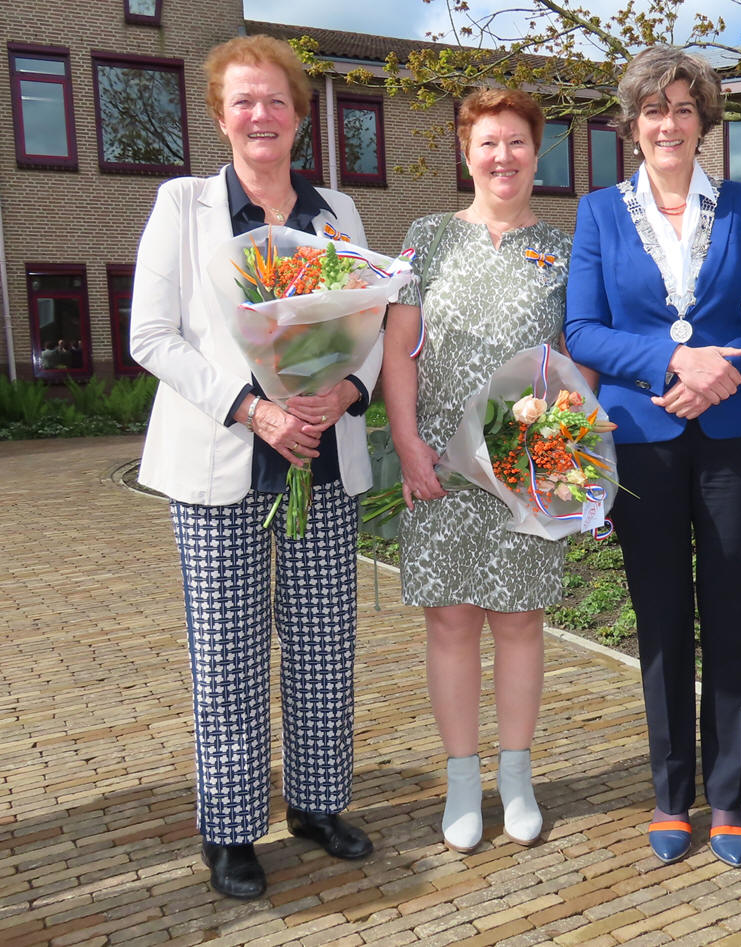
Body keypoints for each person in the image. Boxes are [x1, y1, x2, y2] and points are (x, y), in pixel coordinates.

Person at [129, 34, 378, 900]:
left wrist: (346, 388)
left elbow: (374, 324)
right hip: (222, 465)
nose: (261, 115)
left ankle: (317, 804)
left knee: (321, 648)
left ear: (300, 114)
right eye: (244, 101)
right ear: (220, 114)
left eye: (276, 100)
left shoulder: (336, 213)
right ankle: (231, 830)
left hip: (322, 460)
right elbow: (151, 336)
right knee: (228, 658)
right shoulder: (184, 204)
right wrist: (253, 406)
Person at [564, 45, 741, 869]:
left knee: (731, 608)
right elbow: (582, 329)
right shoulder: (597, 213)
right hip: (641, 438)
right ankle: (670, 792)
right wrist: (672, 361)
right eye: (654, 110)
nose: (669, 123)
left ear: (705, 123)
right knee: (661, 616)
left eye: (684, 108)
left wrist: (722, 367)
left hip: (733, 433)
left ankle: (727, 793)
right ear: (633, 126)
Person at [382, 88, 577, 854]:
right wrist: (406, 446)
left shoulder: (563, 248)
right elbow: (398, 349)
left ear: (538, 152)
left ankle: (517, 776)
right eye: (488, 143)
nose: (503, 157)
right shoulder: (424, 239)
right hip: (438, 466)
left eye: (518, 143)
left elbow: (576, 360)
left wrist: (568, 459)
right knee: (452, 619)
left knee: (521, 620)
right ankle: (464, 779)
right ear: (467, 152)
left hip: (528, 464)